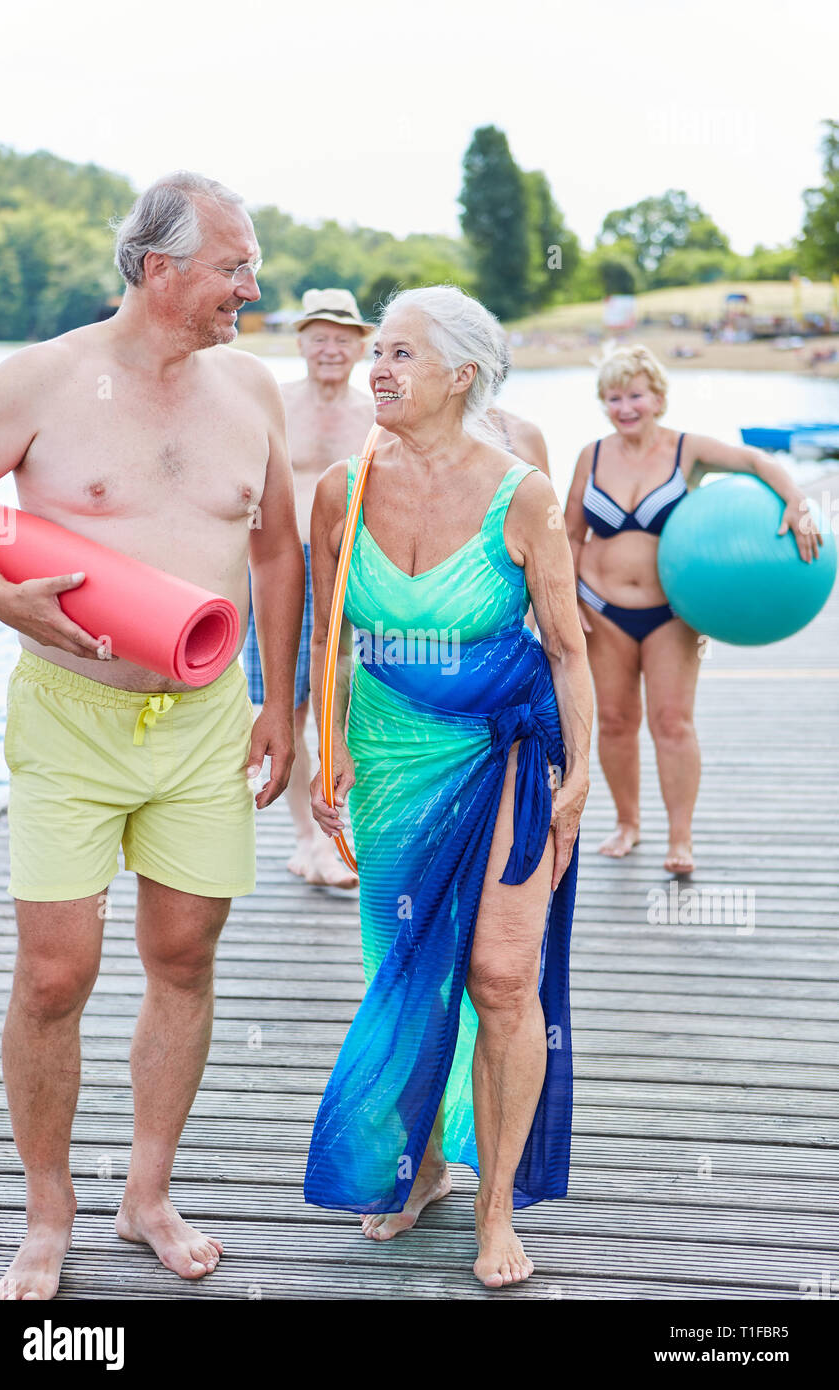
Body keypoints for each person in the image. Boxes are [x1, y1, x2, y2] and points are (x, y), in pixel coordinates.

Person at [0, 171, 304, 1300]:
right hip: (71, 716)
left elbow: (274, 553)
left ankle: (146, 1194)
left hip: (208, 723)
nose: (250, 292)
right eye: (232, 269)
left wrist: (283, 703)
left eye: (249, 269)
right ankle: (46, 1210)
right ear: (158, 268)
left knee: (183, 955)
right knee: (56, 974)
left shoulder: (253, 391)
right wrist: (0, 598)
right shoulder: (45, 378)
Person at [303, 286, 592, 1288]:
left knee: (502, 979)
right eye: (374, 351)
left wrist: (583, 770)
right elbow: (326, 637)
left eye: (401, 355)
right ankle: (420, 1165)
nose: (375, 368)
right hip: (385, 760)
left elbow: (564, 647)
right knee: (407, 968)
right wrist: (321, 744)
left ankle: (497, 1205)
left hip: (503, 750)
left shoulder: (524, 495)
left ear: (459, 375)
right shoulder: (340, 488)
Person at [564, 343, 820, 875]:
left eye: (635, 395)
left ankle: (680, 839)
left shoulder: (687, 450)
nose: (625, 406)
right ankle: (627, 823)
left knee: (672, 723)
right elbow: (569, 531)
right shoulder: (591, 455)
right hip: (600, 608)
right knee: (613, 721)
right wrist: (565, 598)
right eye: (613, 397)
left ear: (657, 397)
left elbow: (756, 460)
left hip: (671, 614)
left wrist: (797, 502)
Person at [242, 288, 375, 888]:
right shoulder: (273, 401)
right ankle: (307, 838)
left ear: (359, 347)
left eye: (342, 338)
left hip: (355, 562)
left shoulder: (377, 407)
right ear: (299, 343)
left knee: (348, 701)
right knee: (286, 702)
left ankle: (348, 825)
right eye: (318, 337)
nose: (329, 348)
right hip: (280, 564)